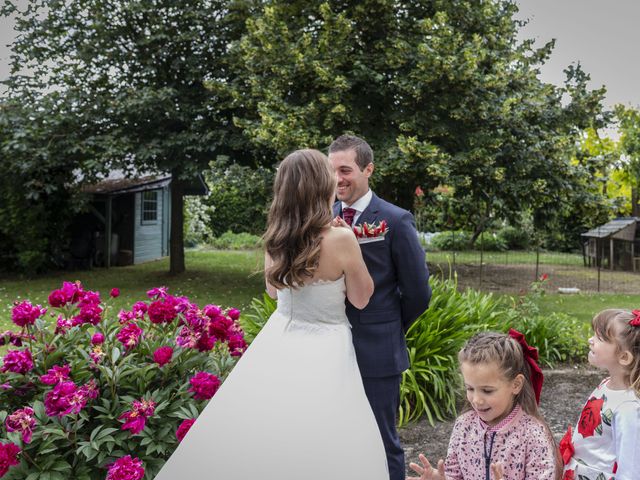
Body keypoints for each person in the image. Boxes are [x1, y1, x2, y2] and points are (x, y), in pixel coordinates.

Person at [154, 149, 388, 479]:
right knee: (321, 432)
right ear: (321, 186)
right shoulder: (341, 238)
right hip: (327, 344)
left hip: (279, 338)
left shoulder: (275, 236)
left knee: (262, 424)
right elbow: (362, 299)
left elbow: (274, 291)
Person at [329, 134, 431, 480]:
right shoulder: (320, 217)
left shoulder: (395, 219)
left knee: (381, 437)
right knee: (336, 436)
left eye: (346, 170)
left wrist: (387, 325)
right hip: (327, 345)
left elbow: (418, 292)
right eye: (332, 171)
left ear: (368, 169)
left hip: (378, 348)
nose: (338, 179)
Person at [407, 330, 561, 480]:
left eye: (487, 391)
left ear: (516, 384)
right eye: (470, 388)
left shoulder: (532, 434)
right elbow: (454, 474)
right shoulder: (463, 426)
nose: (476, 400)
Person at [561, 309, 640, 480]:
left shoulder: (628, 407)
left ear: (624, 357)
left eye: (600, 338)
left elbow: (631, 468)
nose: (590, 340)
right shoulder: (606, 384)